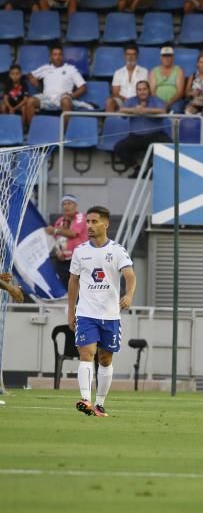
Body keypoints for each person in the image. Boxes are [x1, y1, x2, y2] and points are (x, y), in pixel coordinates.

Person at [67, 205, 137, 417]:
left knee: (105, 359)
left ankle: (99, 404)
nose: (89, 225)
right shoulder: (80, 252)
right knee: (86, 354)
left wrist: (129, 295)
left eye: (94, 222)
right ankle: (86, 400)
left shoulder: (117, 250)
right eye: (87, 222)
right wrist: (71, 311)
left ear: (106, 224)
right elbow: (73, 281)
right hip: (86, 314)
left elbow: (130, 276)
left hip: (110, 315)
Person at [23, 44, 89, 125]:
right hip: (47, 97)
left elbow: (83, 87)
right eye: (55, 54)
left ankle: (65, 133)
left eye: (60, 54)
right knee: (30, 101)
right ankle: (33, 131)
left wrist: (72, 95)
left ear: (63, 56)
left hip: (62, 98)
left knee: (66, 101)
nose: (57, 57)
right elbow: (30, 75)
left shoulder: (71, 69)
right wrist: (35, 82)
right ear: (50, 57)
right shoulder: (45, 68)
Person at [114, 80, 168, 177]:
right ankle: (137, 169)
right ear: (136, 91)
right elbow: (122, 110)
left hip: (156, 135)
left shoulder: (156, 100)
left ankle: (150, 169)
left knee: (169, 145)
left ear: (149, 90)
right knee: (119, 147)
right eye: (139, 90)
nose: (142, 92)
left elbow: (162, 111)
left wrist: (145, 110)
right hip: (136, 136)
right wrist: (135, 110)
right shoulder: (131, 101)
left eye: (144, 89)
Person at [46, 194, 86, 287]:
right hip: (63, 260)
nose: (66, 206)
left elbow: (73, 233)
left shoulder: (80, 218)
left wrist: (55, 230)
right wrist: (57, 252)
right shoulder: (60, 221)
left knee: (79, 289)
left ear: (75, 205)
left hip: (78, 260)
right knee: (64, 288)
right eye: (64, 204)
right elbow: (55, 240)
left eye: (69, 203)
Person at [106, 44, 148, 112]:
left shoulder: (144, 71)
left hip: (137, 101)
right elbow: (115, 92)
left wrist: (133, 101)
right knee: (109, 101)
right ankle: (110, 122)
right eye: (128, 54)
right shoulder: (118, 72)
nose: (130, 57)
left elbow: (145, 91)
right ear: (124, 56)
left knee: (144, 102)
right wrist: (126, 100)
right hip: (122, 101)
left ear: (137, 56)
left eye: (133, 54)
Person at [149, 47, 186, 113]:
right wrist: (160, 103)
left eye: (169, 56)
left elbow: (180, 92)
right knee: (152, 108)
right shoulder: (154, 71)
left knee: (177, 109)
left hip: (175, 101)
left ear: (173, 58)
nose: (166, 58)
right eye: (164, 56)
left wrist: (169, 103)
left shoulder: (179, 70)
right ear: (161, 58)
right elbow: (152, 92)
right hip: (157, 101)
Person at [1, 64, 30, 129]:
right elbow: (5, 98)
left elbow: (25, 100)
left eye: (17, 74)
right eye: (13, 74)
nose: (15, 76)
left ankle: (22, 127)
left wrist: (15, 108)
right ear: (10, 75)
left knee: (24, 108)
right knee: (3, 106)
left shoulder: (24, 84)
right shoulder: (8, 84)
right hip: (10, 104)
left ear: (21, 74)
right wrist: (10, 107)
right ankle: (6, 126)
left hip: (20, 105)